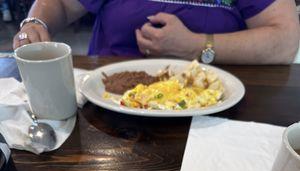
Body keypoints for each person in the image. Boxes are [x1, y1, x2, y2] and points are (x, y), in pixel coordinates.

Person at [13, 0, 300, 64]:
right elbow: (61, 4)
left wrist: (197, 46)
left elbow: (285, 41)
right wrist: (35, 22)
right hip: (108, 106)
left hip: (216, 106)